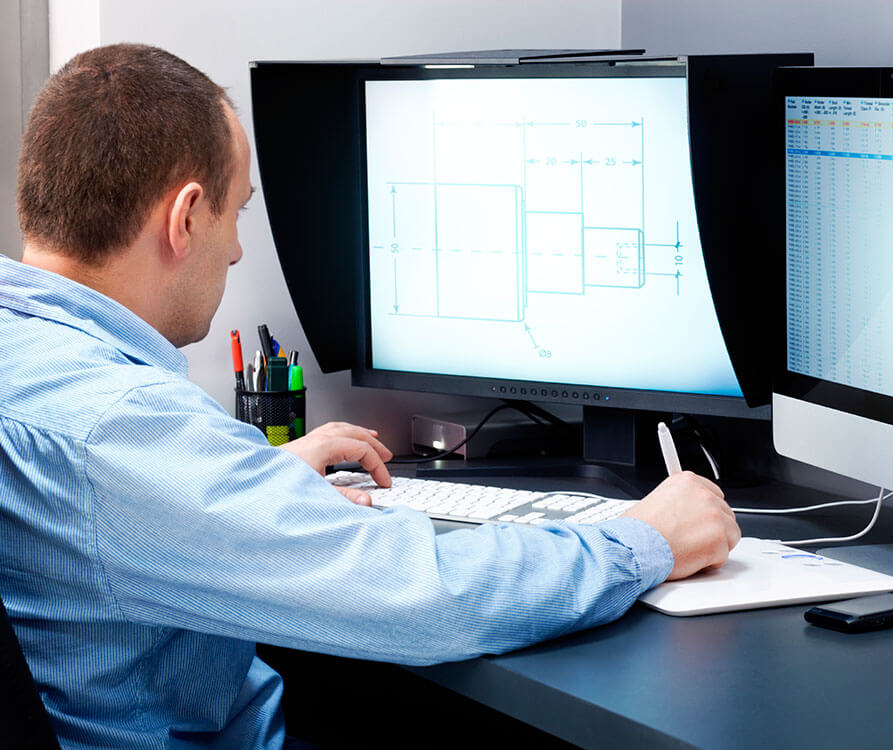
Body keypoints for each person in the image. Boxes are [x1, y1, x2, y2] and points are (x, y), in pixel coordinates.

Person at [0, 43, 740, 748]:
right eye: (237, 213)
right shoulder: (121, 433)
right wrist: (643, 541)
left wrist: (252, 485)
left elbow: (102, 516)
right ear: (185, 216)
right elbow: (428, 598)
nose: (235, 249)